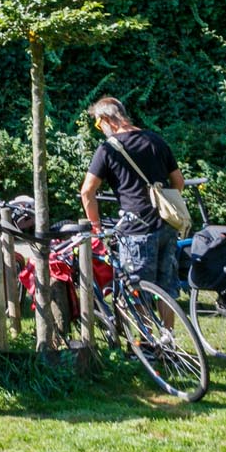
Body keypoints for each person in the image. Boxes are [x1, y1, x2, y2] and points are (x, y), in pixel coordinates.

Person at [80, 96, 185, 300]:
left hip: (136, 230)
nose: (99, 129)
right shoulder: (155, 140)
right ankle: (168, 331)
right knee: (166, 291)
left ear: (106, 119)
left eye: (97, 124)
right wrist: (162, 204)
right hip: (167, 225)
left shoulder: (108, 149)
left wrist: (96, 226)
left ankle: (142, 333)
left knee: (137, 295)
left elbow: (87, 191)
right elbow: (178, 181)